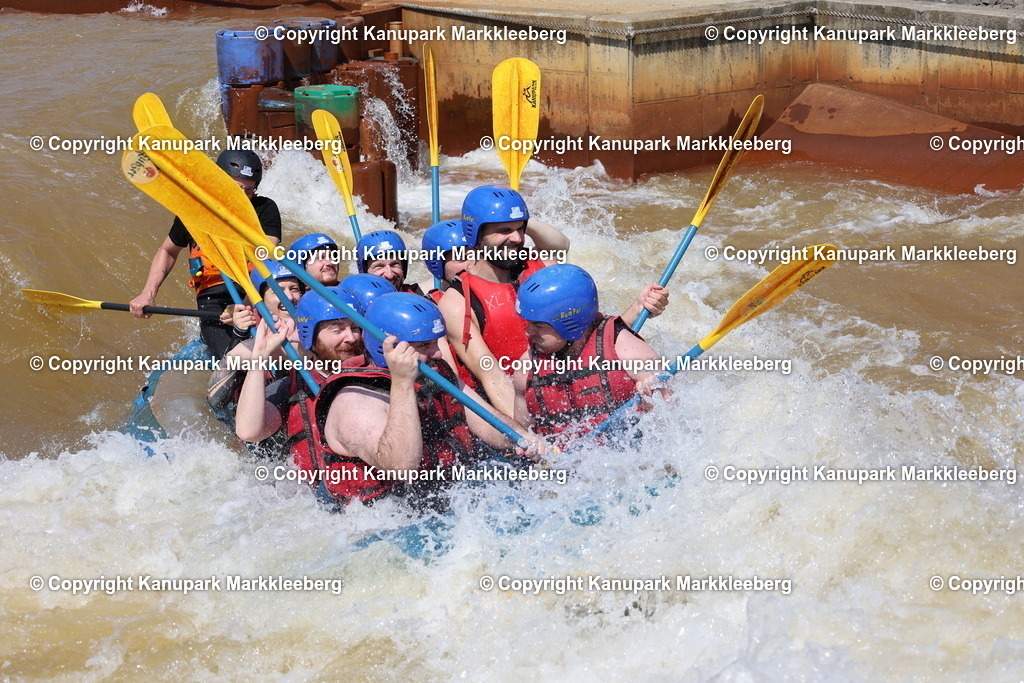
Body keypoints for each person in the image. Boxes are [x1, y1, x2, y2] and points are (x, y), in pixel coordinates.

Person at [286, 292, 532, 509]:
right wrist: (402, 382)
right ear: (389, 349)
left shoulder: (434, 370)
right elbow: (401, 467)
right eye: (424, 345)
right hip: (382, 524)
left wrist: (524, 440)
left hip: (447, 499)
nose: (437, 353)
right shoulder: (354, 399)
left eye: (435, 343)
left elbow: (486, 421)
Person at [439, 185, 668, 416]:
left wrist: (638, 309)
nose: (517, 238)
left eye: (521, 229)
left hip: (570, 389)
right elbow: (492, 378)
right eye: (505, 230)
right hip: (518, 408)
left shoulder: (545, 269)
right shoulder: (458, 303)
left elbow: (593, 336)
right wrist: (532, 436)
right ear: (475, 237)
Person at [129, 149, 281, 358]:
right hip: (213, 299)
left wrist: (243, 306)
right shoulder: (193, 212)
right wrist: (148, 293)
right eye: (236, 188)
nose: (242, 196)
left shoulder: (265, 209)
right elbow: (167, 251)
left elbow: (266, 260)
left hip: (253, 293)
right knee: (229, 356)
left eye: (248, 190)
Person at [512, 264, 665, 448]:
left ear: (570, 323)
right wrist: (529, 447)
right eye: (528, 323)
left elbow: (672, 418)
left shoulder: (627, 349)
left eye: (538, 325)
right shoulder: (527, 368)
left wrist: (653, 395)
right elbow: (521, 433)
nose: (528, 332)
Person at [233, 287, 366, 461]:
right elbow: (249, 432)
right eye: (337, 329)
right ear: (310, 335)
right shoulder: (292, 387)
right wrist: (261, 354)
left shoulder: (378, 373)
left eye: (355, 327)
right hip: (310, 486)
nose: (351, 337)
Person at [206, 260, 305, 423]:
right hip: (256, 417)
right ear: (260, 300)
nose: (288, 297)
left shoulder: (313, 326)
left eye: (294, 289)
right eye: (277, 291)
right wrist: (240, 334)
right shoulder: (251, 329)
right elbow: (216, 401)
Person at [416, 219, 473, 302]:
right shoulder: (423, 300)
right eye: (462, 258)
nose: (473, 264)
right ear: (439, 265)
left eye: (479, 256)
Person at [355, 230, 423, 295]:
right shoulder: (356, 304)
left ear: (403, 267)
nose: (389, 275)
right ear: (365, 272)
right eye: (379, 266)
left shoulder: (420, 296)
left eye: (395, 264)